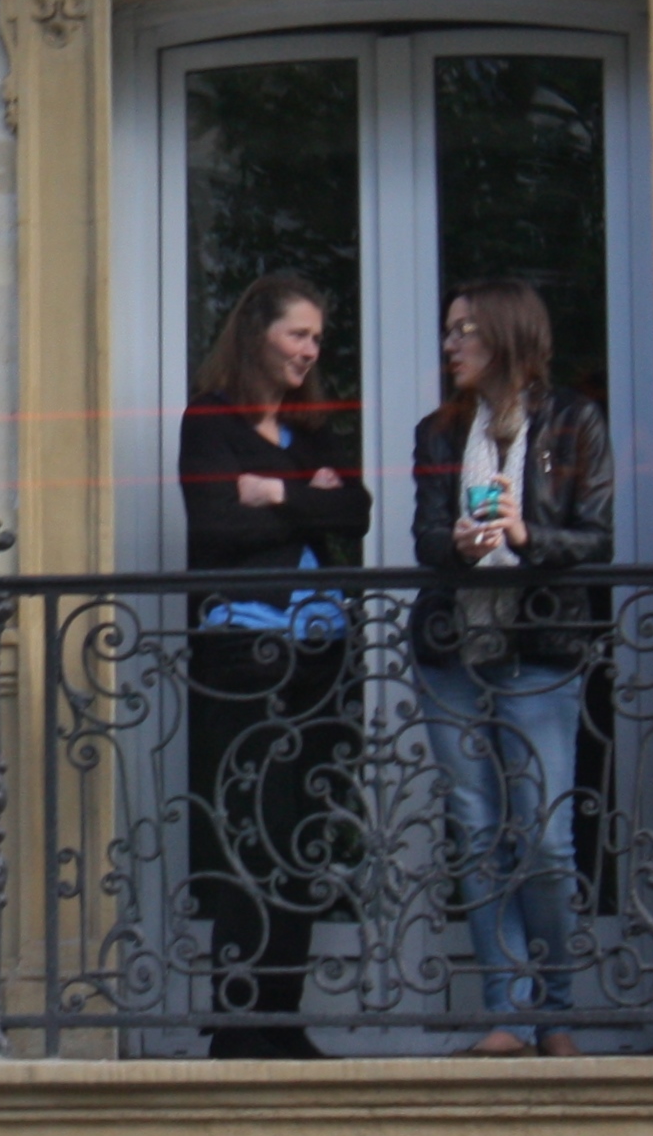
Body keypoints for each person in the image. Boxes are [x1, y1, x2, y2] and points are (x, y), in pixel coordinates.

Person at [411, 278, 614, 1058]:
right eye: (449, 329)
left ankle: (557, 1012)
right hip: (453, 647)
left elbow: (597, 538)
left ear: (505, 333)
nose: (450, 343)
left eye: (464, 329)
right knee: (476, 831)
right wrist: (458, 544)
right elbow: (427, 536)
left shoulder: (573, 420)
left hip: (540, 647)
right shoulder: (439, 432)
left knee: (545, 838)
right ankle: (508, 1013)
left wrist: (527, 535)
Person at [179, 272, 372, 1060]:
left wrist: (273, 491)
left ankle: (283, 1018)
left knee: (302, 835)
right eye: (298, 333)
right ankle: (237, 1025)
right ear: (256, 332)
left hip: (322, 650)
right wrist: (302, 496)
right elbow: (214, 526)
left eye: (317, 337)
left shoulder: (311, 427)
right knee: (247, 833)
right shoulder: (209, 419)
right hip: (242, 649)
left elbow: (356, 510)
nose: (310, 349)